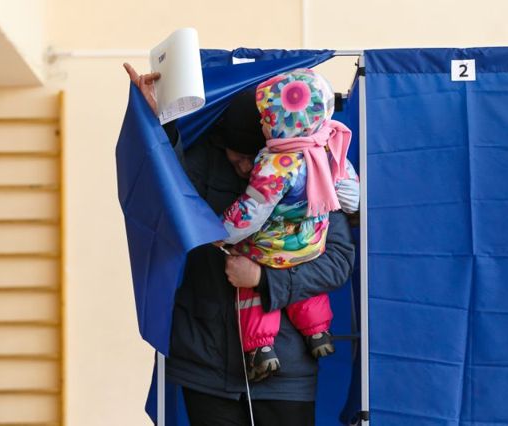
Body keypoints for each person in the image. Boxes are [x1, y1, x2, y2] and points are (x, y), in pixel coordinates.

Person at [124, 63, 355, 426]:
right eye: (239, 157)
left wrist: (263, 280)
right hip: (205, 363)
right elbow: (162, 187)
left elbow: (339, 261)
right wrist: (157, 122)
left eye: (255, 157)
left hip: (286, 369)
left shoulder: (307, 169)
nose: (248, 168)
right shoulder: (203, 165)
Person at [217, 69, 360, 381]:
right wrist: (350, 209)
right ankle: (318, 331)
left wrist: (220, 233)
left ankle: (261, 348)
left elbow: (252, 211)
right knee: (306, 281)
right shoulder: (329, 147)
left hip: (272, 248)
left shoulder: (276, 163)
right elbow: (351, 194)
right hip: (311, 243)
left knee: (249, 280)